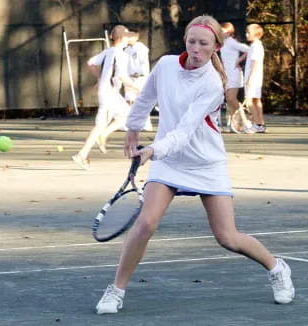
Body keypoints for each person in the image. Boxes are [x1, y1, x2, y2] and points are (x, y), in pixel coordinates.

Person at [95, 15, 295, 315]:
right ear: (185, 42)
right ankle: (116, 289)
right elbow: (145, 98)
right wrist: (133, 130)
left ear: (215, 46)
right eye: (192, 41)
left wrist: (152, 149)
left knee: (227, 237)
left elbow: (184, 132)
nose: (197, 48)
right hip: (169, 162)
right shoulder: (165, 66)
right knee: (145, 223)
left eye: (203, 43)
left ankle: (277, 267)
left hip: (205, 162)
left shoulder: (213, 83)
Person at [72, 25, 139, 170]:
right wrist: (137, 87)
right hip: (109, 93)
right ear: (122, 39)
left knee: (126, 115)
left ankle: (98, 139)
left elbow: (90, 63)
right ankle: (83, 154)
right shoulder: (122, 55)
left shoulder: (109, 51)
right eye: (127, 36)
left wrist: (100, 78)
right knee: (103, 124)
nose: (129, 39)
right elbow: (121, 76)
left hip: (109, 92)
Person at [219, 22, 250, 132]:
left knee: (232, 99)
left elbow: (248, 49)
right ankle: (234, 125)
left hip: (234, 74)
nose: (221, 33)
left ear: (229, 33)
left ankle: (245, 123)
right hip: (227, 75)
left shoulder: (232, 42)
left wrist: (239, 60)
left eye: (223, 31)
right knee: (228, 99)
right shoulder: (223, 43)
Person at [124, 30, 153, 132]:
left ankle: (146, 124)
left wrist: (138, 72)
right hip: (129, 78)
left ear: (136, 37)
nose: (128, 38)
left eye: (130, 36)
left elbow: (143, 63)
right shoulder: (126, 50)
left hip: (140, 78)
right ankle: (129, 124)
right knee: (129, 101)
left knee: (142, 101)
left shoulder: (141, 48)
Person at [244, 24, 266, 133]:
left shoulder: (255, 47)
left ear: (256, 35)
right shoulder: (257, 46)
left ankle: (256, 124)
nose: (246, 34)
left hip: (253, 78)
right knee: (256, 100)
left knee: (249, 101)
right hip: (257, 78)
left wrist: (249, 79)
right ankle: (261, 124)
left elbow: (255, 63)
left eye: (249, 33)